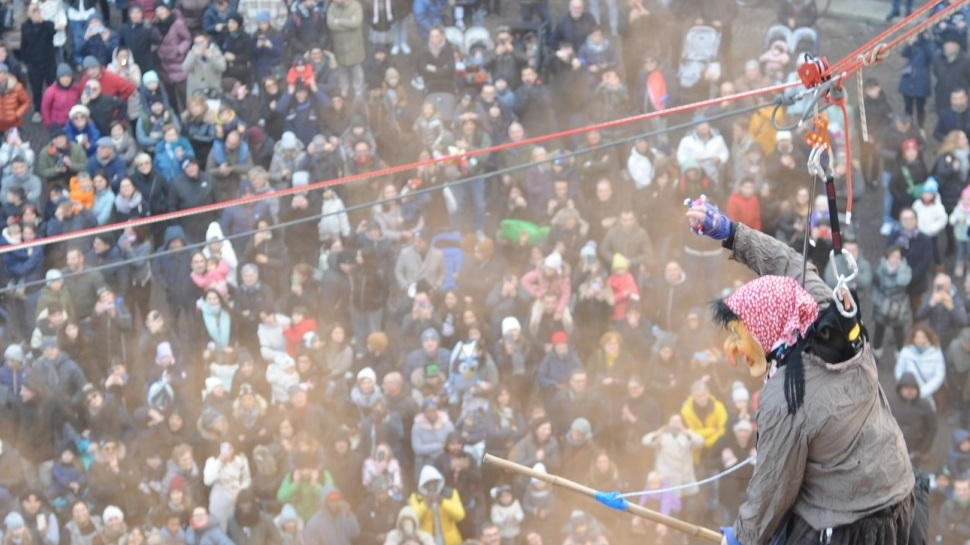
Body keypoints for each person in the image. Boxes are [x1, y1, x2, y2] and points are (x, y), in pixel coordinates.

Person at [685, 199, 918, 545]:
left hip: (847, 528)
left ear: (766, 328)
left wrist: (744, 538)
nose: (731, 350)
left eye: (737, 335)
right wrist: (732, 233)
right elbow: (790, 264)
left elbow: (772, 488)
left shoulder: (786, 398)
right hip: (900, 495)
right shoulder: (822, 314)